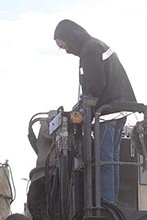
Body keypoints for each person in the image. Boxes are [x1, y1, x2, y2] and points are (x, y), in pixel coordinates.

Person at [53, 19, 137, 205]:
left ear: (70, 37)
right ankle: (111, 202)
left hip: (107, 111)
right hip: (120, 108)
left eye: (63, 45)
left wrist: (84, 105)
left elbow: (97, 85)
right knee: (112, 160)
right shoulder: (97, 45)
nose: (64, 49)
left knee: (104, 160)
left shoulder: (90, 50)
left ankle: (106, 205)